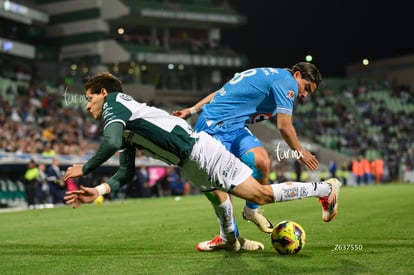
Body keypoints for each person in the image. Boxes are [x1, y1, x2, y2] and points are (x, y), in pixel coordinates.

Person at [63, 72, 341, 252]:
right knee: (217, 195)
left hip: (199, 152)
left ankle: (325, 189)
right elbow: (125, 172)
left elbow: (109, 143)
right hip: (189, 163)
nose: (87, 106)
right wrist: (97, 191)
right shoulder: (124, 123)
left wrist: (85, 168)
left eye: (89, 99)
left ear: (102, 93)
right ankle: (230, 240)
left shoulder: (113, 103)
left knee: (262, 195)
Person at [172, 63, 321, 251]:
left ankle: (251, 211)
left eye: (309, 92)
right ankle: (229, 237)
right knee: (221, 187)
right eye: (306, 87)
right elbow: (284, 126)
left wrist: (192, 110)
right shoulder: (288, 82)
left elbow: (222, 91)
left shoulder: (275, 76)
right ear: (297, 75)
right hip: (213, 128)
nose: (305, 94)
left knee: (261, 161)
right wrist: (300, 152)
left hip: (235, 127)